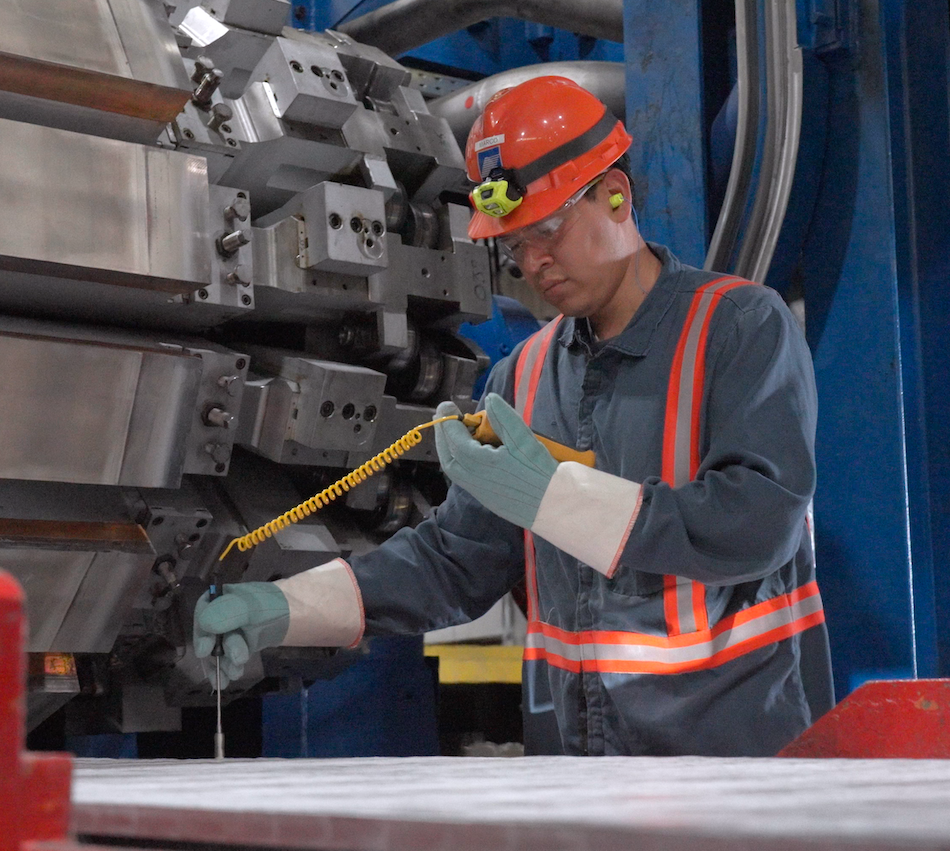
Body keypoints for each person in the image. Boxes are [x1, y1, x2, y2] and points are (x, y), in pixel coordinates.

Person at [194, 75, 832, 755]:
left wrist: (558, 500)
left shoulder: (737, 327)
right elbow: (452, 562)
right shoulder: (523, 377)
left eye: (550, 228)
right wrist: (287, 607)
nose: (534, 262)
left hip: (737, 765)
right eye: (514, 244)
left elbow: (757, 520)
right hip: (577, 771)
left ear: (616, 193)